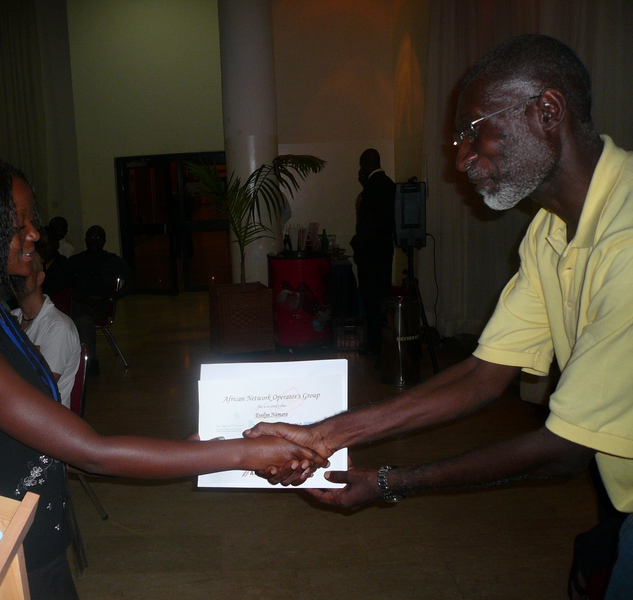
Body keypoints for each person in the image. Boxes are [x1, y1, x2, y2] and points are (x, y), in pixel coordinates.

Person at [246, 34, 633, 597]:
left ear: (548, 112)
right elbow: (482, 374)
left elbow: (565, 450)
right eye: (459, 138)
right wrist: (324, 434)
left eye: (474, 131)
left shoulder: (627, 241)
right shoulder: (549, 231)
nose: (461, 159)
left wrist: (389, 482)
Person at [0, 146, 324, 600]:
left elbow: (59, 445)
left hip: (32, 540)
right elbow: (92, 453)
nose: (34, 234)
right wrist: (241, 454)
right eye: (17, 226)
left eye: (31, 220)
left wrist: (198, 450)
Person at [11, 252, 80, 407]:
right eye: (12, 276)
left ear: (40, 277)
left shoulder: (59, 327)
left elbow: (42, 385)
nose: (17, 281)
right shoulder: (10, 318)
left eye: (24, 275)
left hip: (44, 412)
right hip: (17, 405)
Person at [69, 225, 135, 374]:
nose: (94, 241)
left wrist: (112, 298)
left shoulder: (112, 260)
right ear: (86, 240)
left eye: (98, 238)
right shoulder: (76, 260)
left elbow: (132, 281)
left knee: (83, 319)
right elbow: (67, 284)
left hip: (101, 302)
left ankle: (90, 361)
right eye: (91, 238)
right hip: (79, 300)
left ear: (104, 241)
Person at [349, 149, 395, 354]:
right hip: (385, 250)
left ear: (365, 165)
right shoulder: (389, 185)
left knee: (369, 298)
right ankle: (385, 342)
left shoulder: (369, 190)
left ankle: (373, 343)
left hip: (369, 253)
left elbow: (366, 225)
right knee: (383, 296)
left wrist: (357, 247)